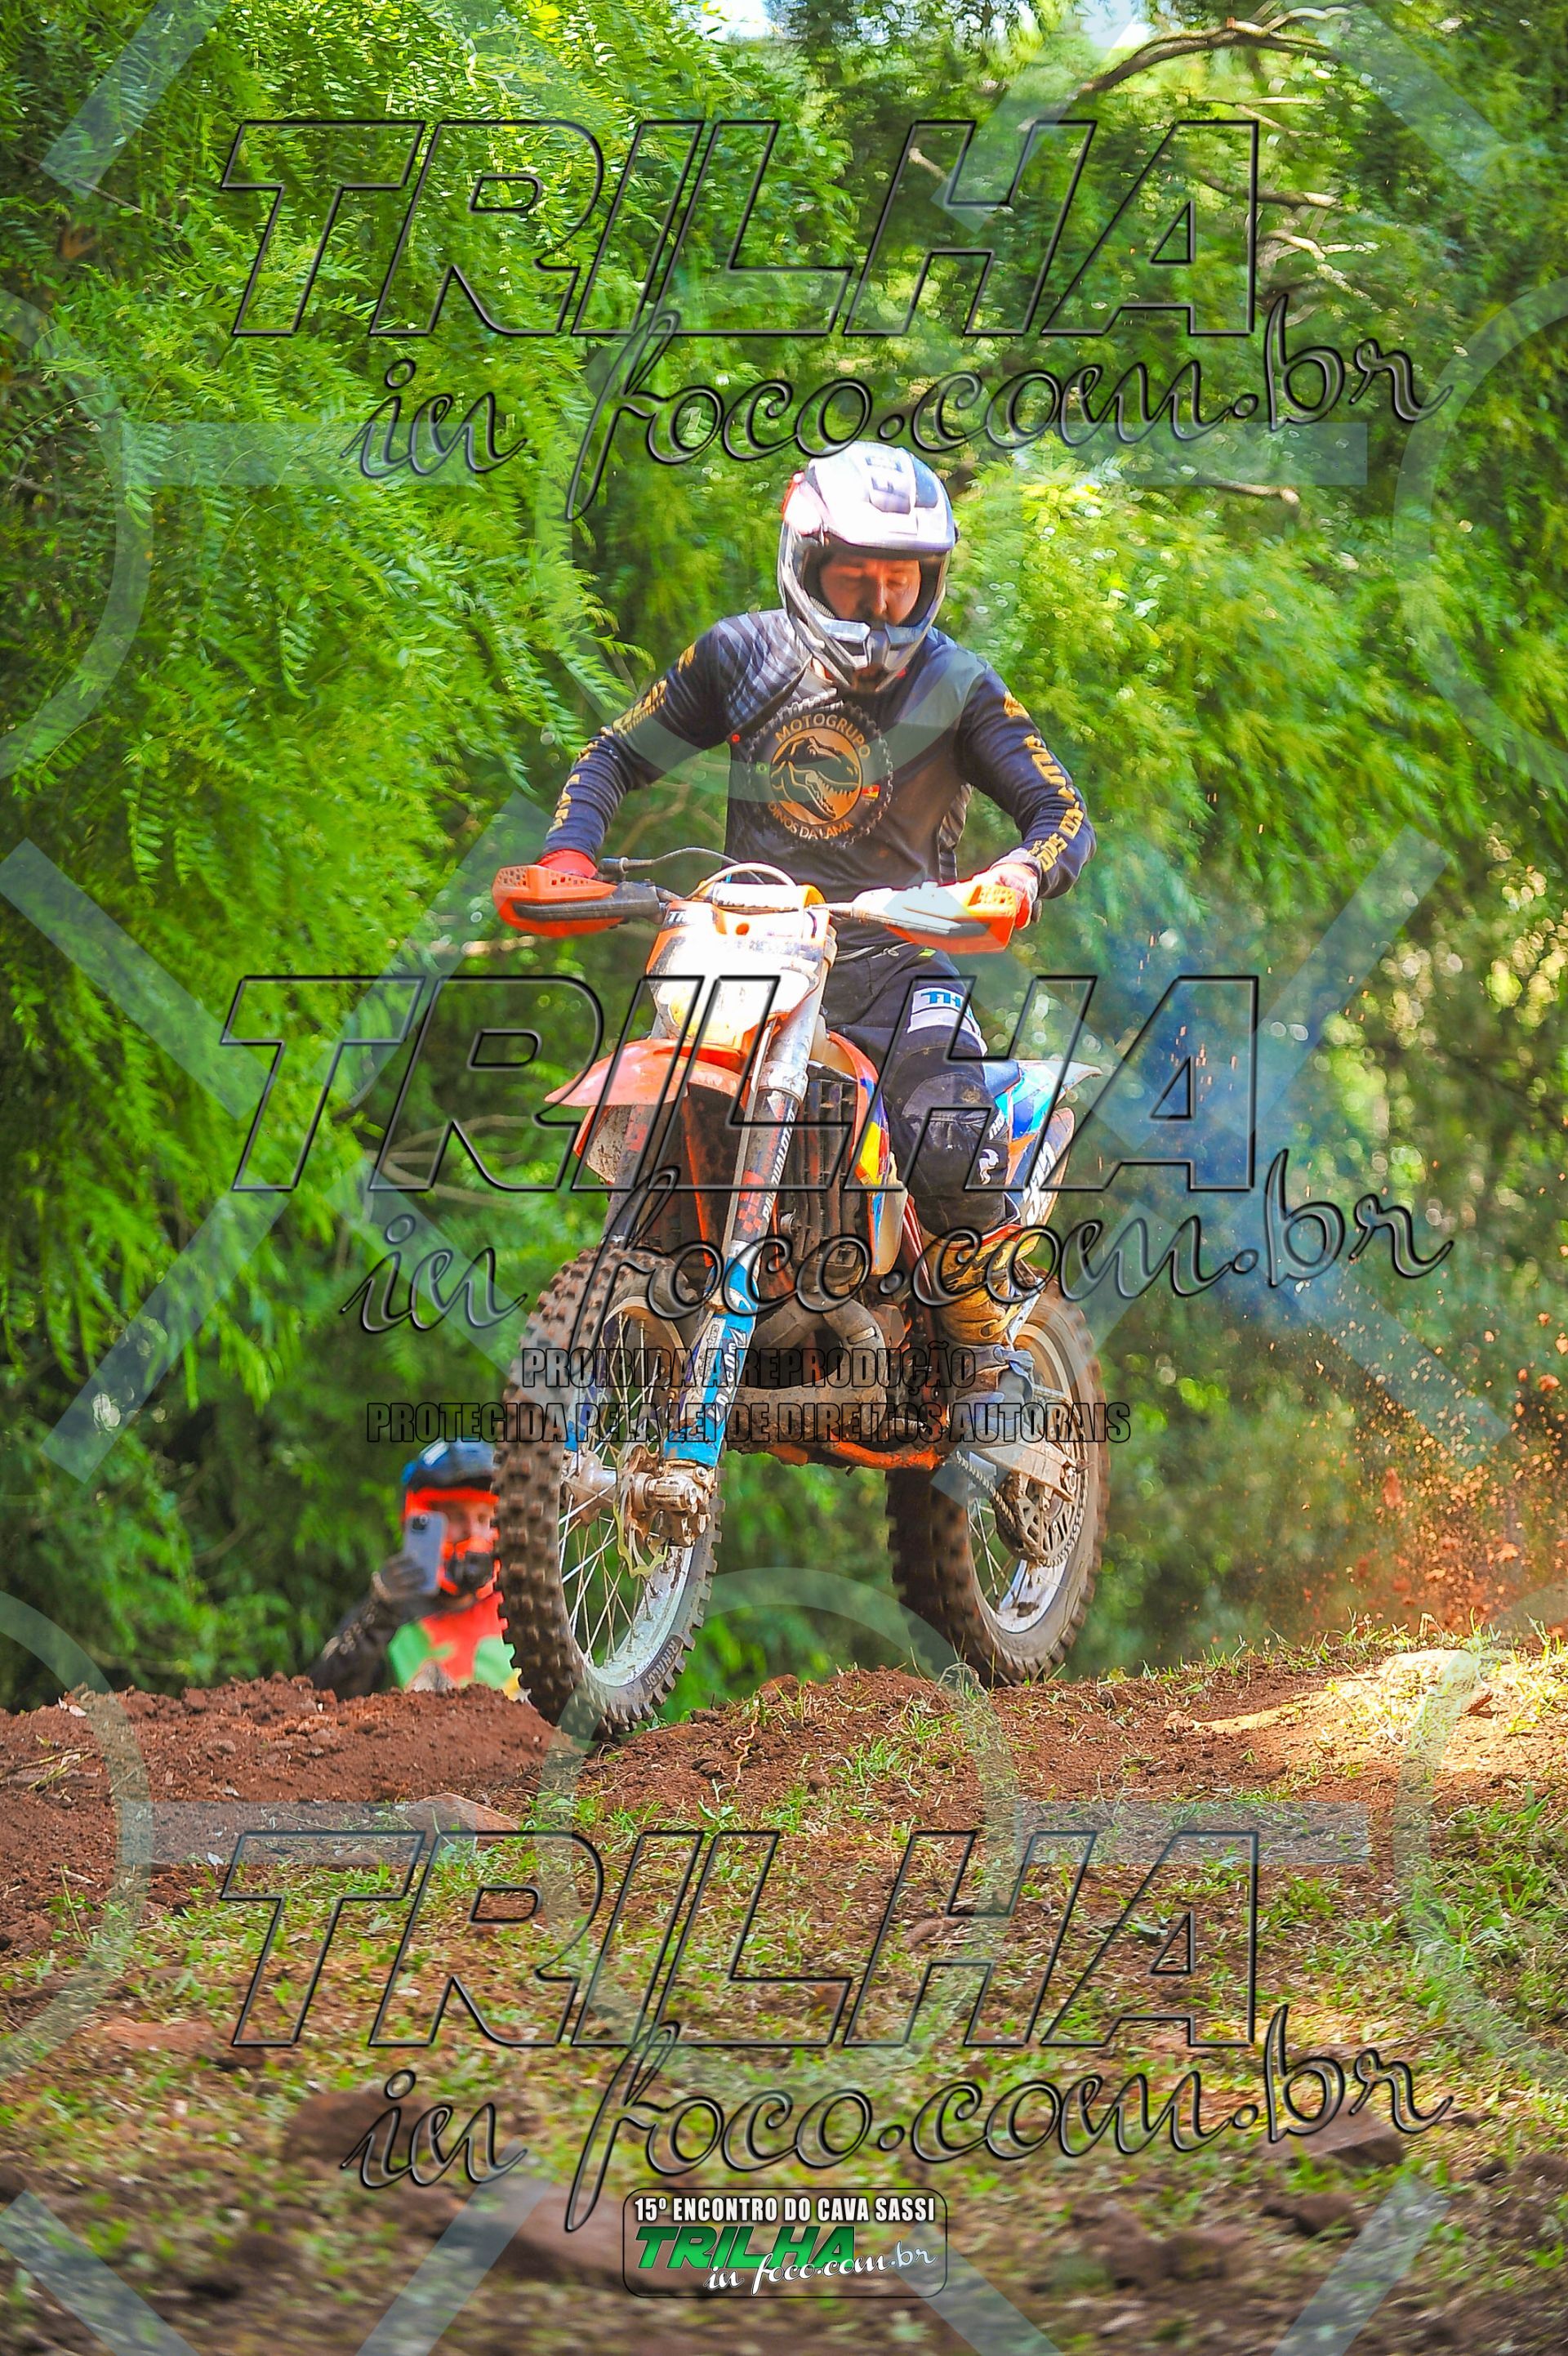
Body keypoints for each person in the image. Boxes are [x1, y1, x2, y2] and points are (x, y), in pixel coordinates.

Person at [537, 441, 1097, 1434]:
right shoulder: (738, 658)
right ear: (807, 561)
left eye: (901, 581)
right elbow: (615, 754)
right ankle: (636, 1333)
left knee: (947, 1139)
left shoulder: (957, 684)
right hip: (753, 956)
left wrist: (1017, 875)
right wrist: (570, 856)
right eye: (857, 578)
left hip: (897, 964)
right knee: (661, 1114)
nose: (881, 606)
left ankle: (981, 1363)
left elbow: (1060, 812)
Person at [309, 1439, 519, 1698]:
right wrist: (378, 1614)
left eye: (484, 1518)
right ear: (421, 1519)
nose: (472, 1532)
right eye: (455, 1516)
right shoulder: (392, 1612)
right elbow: (321, 1696)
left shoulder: (519, 1607)